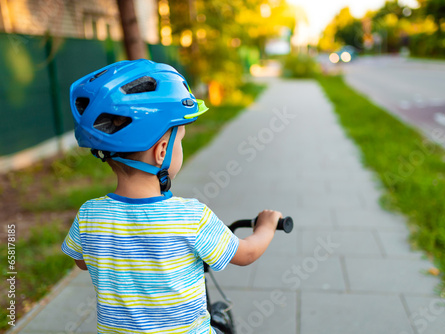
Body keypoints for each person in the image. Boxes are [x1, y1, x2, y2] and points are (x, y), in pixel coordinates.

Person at [61, 59, 282, 334]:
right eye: (181, 141)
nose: (181, 147)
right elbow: (246, 253)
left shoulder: (89, 215)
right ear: (162, 150)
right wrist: (266, 226)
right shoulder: (191, 217)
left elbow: (81, 261)